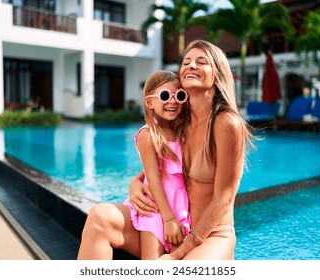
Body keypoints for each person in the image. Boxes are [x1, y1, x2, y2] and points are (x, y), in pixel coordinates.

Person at [77, 40, 254, 260]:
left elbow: (224, 199)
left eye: (201, 62)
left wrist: (178, 253)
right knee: (99, 217)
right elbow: (157, 169)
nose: (191, 66)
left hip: (210, 236)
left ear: (217, 76)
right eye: (186, 62)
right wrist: (134, 185)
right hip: (169, 227)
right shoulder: (179, 121)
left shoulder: (226, 123)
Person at [123, 70, 191, 259]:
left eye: (179, 96)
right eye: (164, 96)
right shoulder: (148, 135)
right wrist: (168, 218)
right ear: (149, 101)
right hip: (155, 207)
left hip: (179, 205)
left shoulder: (181, 132)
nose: (173, 101)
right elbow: (152, 177)